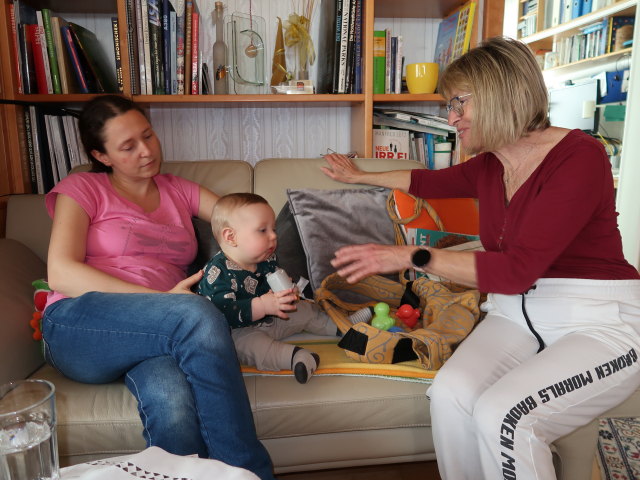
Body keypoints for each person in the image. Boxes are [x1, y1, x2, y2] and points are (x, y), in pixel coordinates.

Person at [321, 36, 640, 480]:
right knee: (450, 393)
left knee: (503, 415)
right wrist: (359, 176)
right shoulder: (490, 164)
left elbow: (515, 270)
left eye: (458, 103)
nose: (451, 119)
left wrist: (414, 255)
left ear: (498, 91)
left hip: (596, 321)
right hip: (514, 314)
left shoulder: (579, 158)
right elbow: (425, 181)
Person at [41, 95, 275, 480]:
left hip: (159, 334)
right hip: (80, 322)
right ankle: (251, 474)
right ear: (102, 156)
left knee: (174, 406)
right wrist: (164, 302)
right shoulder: (82, 188)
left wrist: (272, 259)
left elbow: (242, 223)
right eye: (128, 146)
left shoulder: (178, 189)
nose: (147, 151)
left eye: (148, 136)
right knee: (197, 313)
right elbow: (62, 272)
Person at [197, 193, 339, 384]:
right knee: (251, 347)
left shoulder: (266, 258)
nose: (273, 236)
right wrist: (262, 306)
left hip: (274, 319)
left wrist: (288, 293)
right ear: (231, 237)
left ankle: (340, 327)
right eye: (263, 230)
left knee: (303, 310)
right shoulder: (217, 273)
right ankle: (298, 357)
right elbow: (223, 312)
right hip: (239, 331)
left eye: (273, 229)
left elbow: (277, 286)